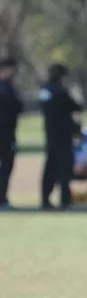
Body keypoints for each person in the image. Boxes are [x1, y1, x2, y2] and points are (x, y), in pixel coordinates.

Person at [39, 64, 84, 210]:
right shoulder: (60, 92)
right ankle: (65, 200)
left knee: (50, 168)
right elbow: (77, 107)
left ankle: (45, 199)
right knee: (64, 169)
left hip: (50, 135)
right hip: (63, 136)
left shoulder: (44, 91)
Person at [0, 57, 24, 209]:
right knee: (6, 166)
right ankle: (2, 199)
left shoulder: (9, 87)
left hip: (7, 132)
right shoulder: (5, 88)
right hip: (5, 133)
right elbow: (16, 106)